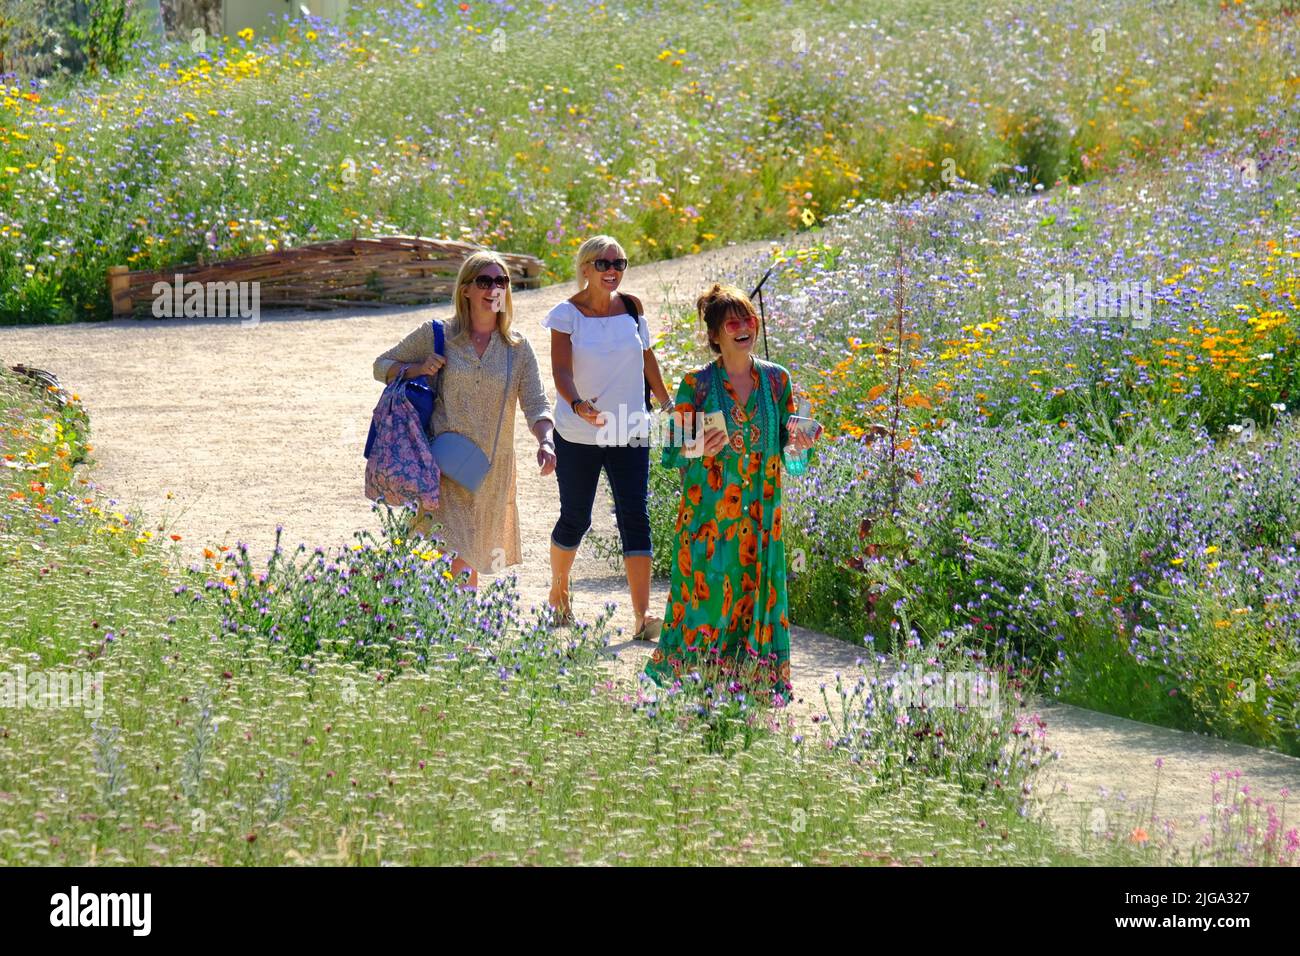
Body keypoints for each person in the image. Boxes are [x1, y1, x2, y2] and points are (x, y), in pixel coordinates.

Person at [644, 283, 817, 704]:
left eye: (748, 319)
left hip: (761, 518)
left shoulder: (777, 380)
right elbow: (670, 447)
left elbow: (789, 449)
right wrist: (698, 444)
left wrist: (800, 443)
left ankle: (752, 681)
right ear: (715, 335)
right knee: (708, 598)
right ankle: (696, 682)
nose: (743, 328)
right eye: (732, 322)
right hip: (708, 519)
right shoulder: (697, 384)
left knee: (753, 593)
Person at [372, 251, 555, 587]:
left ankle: (450, 626)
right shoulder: (437, 334)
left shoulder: (517, 346)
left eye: (501, 281)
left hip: (491, 470)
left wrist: (545, 440)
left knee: (467, 552)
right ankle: (462, 629)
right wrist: (417, 368)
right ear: (466, 289)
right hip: (445, 464)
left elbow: (536, 403)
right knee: (456, 550)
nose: (494, 288)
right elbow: (381, 366)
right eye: (484, 281)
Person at [542, 235, 671, 635]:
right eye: (603, 263)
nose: (612, 270)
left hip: (630, 428)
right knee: (575, 517)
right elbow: (561, 370)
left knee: (635, 516)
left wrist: (668, 404)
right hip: (579, 430)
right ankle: (559, 592)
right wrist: (579, 404)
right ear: (585, 268)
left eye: (619, 263)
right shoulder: (567, 314)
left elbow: (646, 356)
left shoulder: (632, 308)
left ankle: (641, 616)